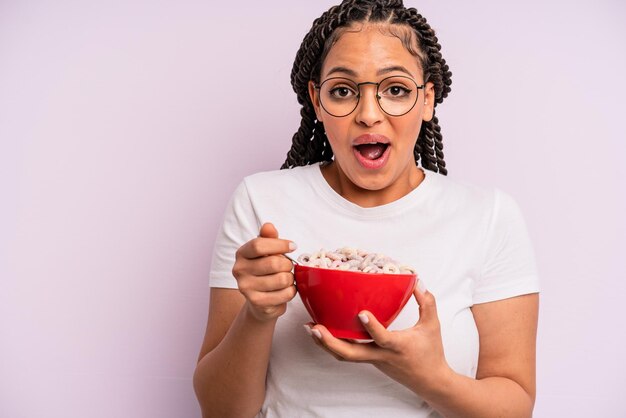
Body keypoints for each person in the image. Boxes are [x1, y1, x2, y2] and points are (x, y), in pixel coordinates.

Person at [193, 0, 540, 416]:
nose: (369, 115)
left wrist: (427, 374)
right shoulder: (260, 202)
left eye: (395, 90)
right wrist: (257, 314)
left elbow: (515, 407)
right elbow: (220, 411)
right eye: (342, 91)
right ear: (317, 102)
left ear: (427, 100)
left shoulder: (489, 216)